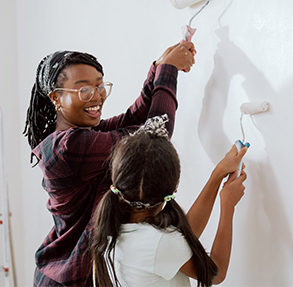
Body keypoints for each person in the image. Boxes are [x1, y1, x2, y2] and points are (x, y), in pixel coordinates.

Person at [23, 42, 196, 286]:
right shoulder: (69, 147)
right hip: (70, 280)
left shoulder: (78, 133)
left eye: (99, 85)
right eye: (84, 89)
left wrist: (158, 69)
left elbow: (133, 120)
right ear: (56, 98)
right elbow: (154, 137)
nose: (97, 96)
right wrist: (168, 70)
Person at [90, 115, 248, 287]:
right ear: (174, 191)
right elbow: (215, 273)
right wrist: (228, 205)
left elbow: (182, 240)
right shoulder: (159, 244)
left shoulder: (115, 225)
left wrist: (217, 175)